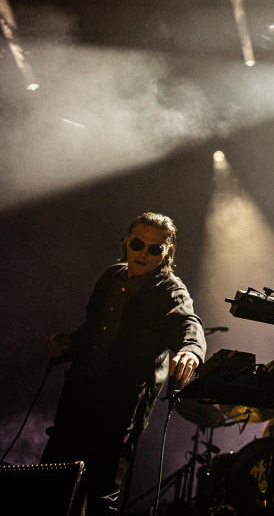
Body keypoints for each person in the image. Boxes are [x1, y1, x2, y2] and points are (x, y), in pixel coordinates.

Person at [42, 212, 206, 515]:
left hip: (119, 409)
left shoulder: (171, 290)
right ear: (126, 242)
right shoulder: (111, 277)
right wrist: (67, 345)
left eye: (154, 249)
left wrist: (191, 351)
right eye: (138, 244)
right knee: (52, 481)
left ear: (168, 251)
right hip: (78, 395)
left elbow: (189, 323)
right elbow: (94, 330)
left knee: (101, 493)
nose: (143, 253)